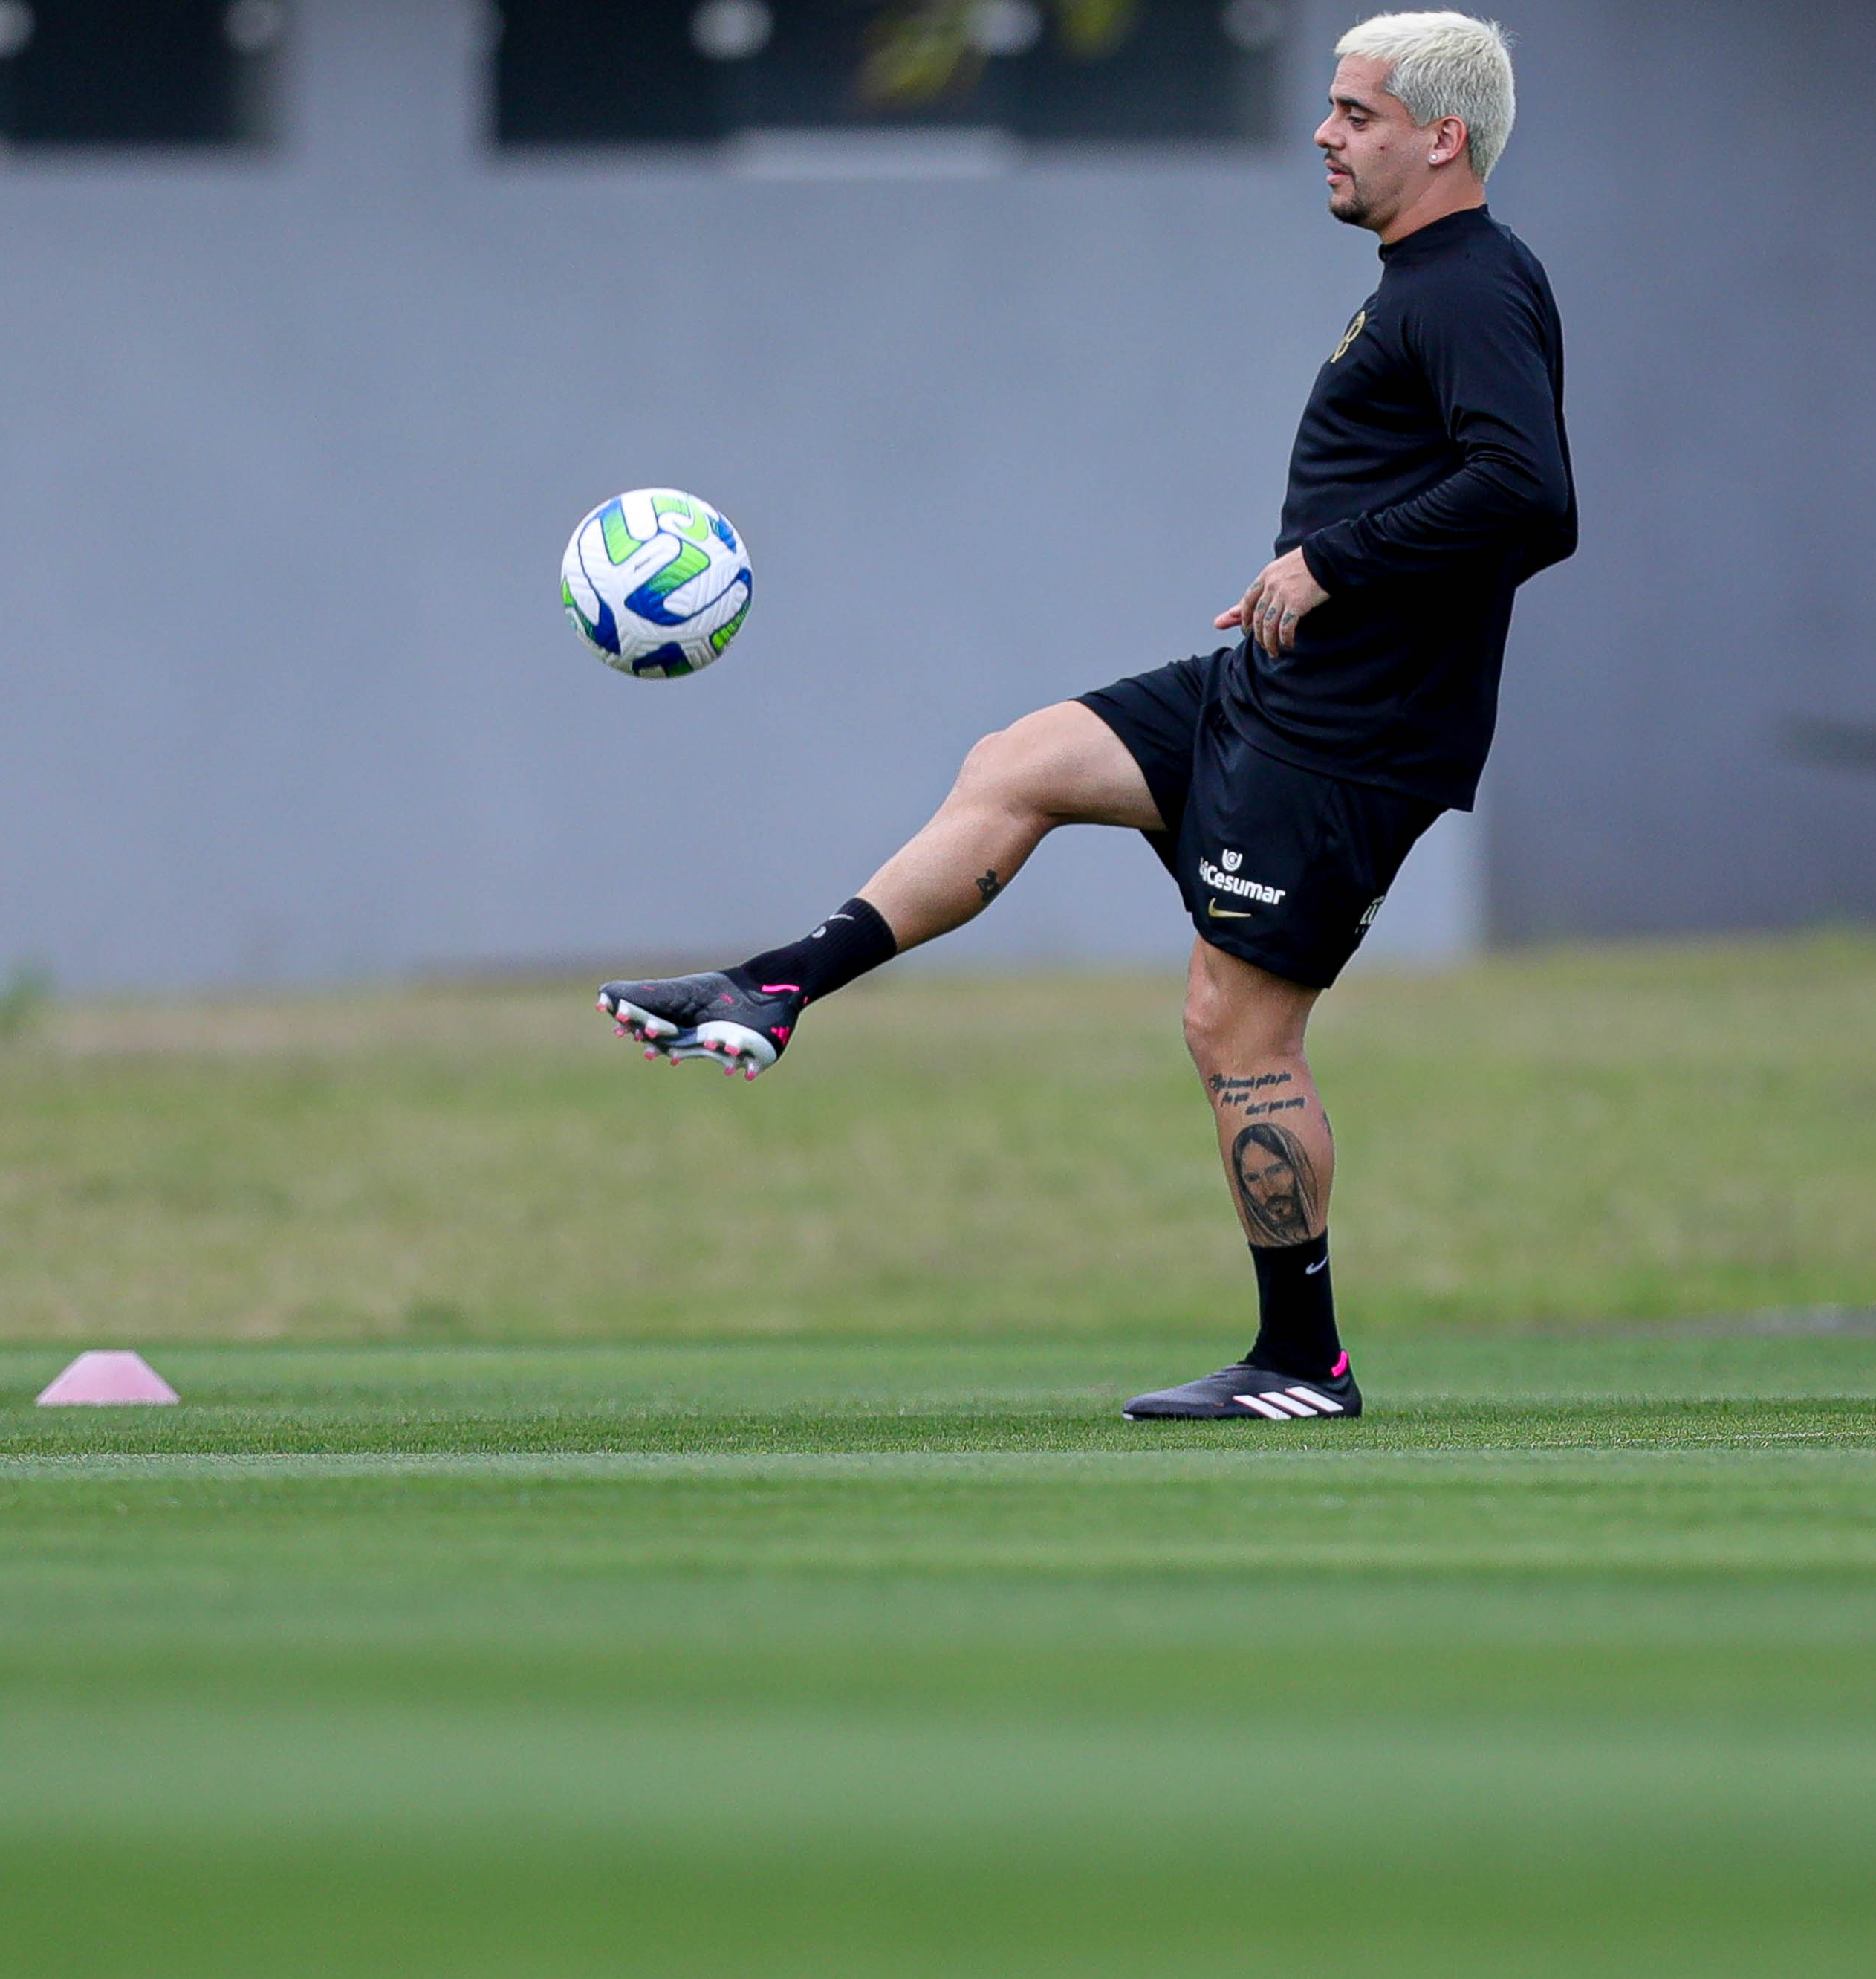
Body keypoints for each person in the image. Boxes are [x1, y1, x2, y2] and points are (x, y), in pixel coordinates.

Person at [598, 10, 1575, 1422]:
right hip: (1275, 688)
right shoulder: (1424, 282)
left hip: (1351, 737)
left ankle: (1303, 1363)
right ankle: (777, 987)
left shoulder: (1470, 286)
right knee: (1023, 763)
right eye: (1331, 106)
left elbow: (1532, 497)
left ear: (1444, 138)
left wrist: (1332, 564)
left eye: (1357, 114)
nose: (1324, 132)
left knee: (1236, 1030)